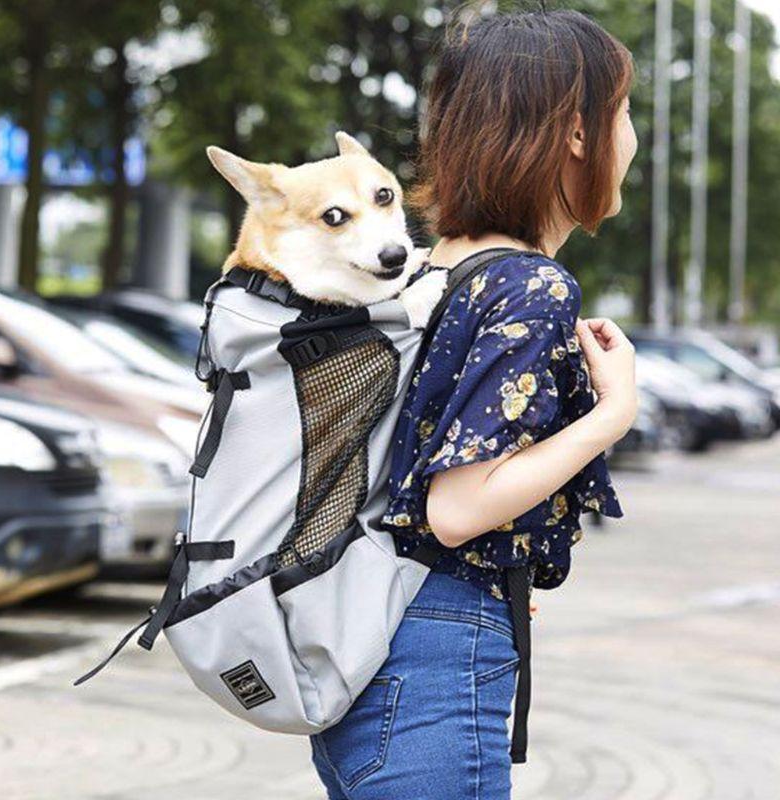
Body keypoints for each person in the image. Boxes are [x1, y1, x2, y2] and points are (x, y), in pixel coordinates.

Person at [309, 7, 639, 798]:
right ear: (577, 134)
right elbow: (458, 507)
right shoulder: (528, 284)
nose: (632, 138)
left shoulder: (430, 270)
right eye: (624, 112)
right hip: (435, 657)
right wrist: (611, 416)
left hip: (367, 644)